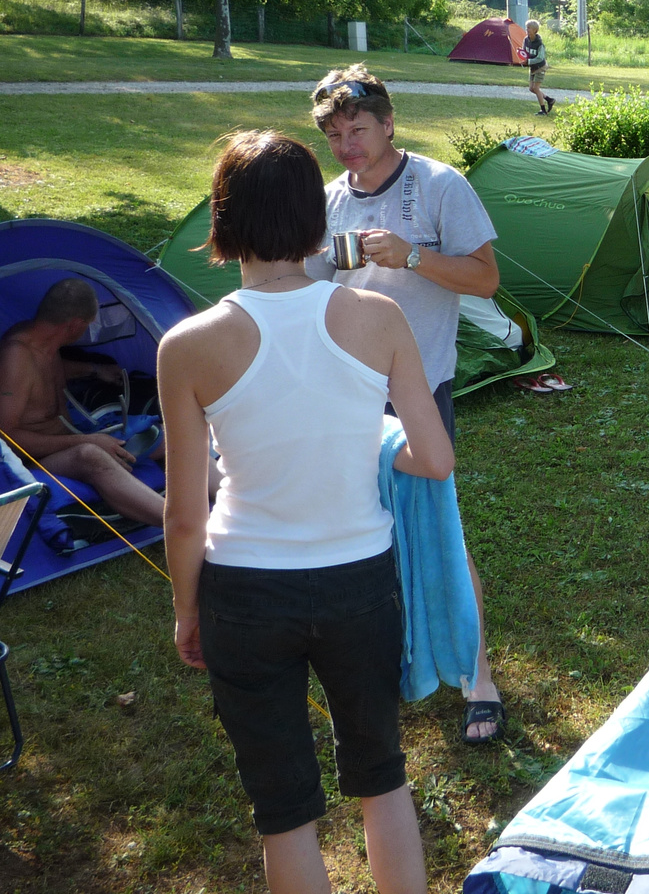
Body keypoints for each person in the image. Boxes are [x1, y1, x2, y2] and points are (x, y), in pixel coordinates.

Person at [160, 130, 452, 894]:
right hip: (360, 584)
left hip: (243, 594)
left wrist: (186, 609)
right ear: (317, 228)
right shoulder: (378, 321)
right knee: (383, 780)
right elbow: (434, 458)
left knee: (283, 811)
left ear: (221, 225)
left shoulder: (186, 345)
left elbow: (186, 514)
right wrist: (378, 443)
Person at [304, 65, 508, 743]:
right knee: (364, 527)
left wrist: (413, 258)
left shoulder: (438, 184)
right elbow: (312, 284)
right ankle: (394, 654)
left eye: (356, 129)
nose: (347, 145)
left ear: (388, 122)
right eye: (334, 134)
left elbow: (485, 278)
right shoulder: (332, 199)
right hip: (347, 391)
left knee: (439, 523)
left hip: (418, 389)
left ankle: (478, 675)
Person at [0, 278, 168, 526]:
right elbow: (4, 437)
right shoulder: (14, 357)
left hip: (70, 436)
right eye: (87, 326)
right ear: (73, 326)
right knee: (90, 455)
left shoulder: (46, 342)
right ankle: (185, 528)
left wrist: (94, 369)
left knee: (165, 436)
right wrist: (88, 440)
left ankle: (229, 504)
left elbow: (41, 373)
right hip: (35, 457)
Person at [523, 19, 553, 114]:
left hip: (540, 67)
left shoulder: (539, 43)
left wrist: (529, 61)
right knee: (531, 88)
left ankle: (543, 110)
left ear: (535, 30)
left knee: (536, 88)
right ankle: (549, 100)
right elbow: (524, 52)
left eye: (529, 28)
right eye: (527, 28)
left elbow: (540, 58)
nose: (527, 30)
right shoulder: (526, 40)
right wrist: (521, 56)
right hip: (532, 67)